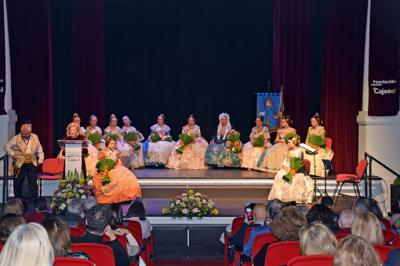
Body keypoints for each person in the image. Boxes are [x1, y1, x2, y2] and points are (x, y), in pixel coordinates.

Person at [92, 136, 142, 204]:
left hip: (117, 167)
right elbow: (101, 163)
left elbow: (119, 162)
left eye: (114, 144)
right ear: (107, 144)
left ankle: (126, 196)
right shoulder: (103, 152)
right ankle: (117, 196)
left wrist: (119, 164)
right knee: (116, 177)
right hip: (107, 168)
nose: (113, 145)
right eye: (111, 144)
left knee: (127, 175)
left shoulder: (116, 152)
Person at [268, 133, 314, 204]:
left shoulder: (300, 151)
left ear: (294, 142)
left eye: (290, 142)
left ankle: (293, 198)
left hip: (297, 170)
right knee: (280, 175)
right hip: (288, 169)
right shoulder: (287, 151)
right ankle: (280, 197)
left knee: (294, 179)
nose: (288, 144)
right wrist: (286, 167)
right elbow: (285, 162)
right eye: (288, 142)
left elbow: (300, 163)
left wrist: (293, 170)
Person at [4, 120, 44, 199]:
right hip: (19, 162)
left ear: (30, 131)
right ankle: (18, 199)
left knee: (33, 182)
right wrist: (12, 154)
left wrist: (40, 159)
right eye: (24, 133)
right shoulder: (16, 138)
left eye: (28, 133)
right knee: (18, 181)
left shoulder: (34, 137)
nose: (26, 135)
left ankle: (34, 199)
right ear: (21, 131)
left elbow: (39, 148)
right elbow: (6, 146)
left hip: (31, 162)